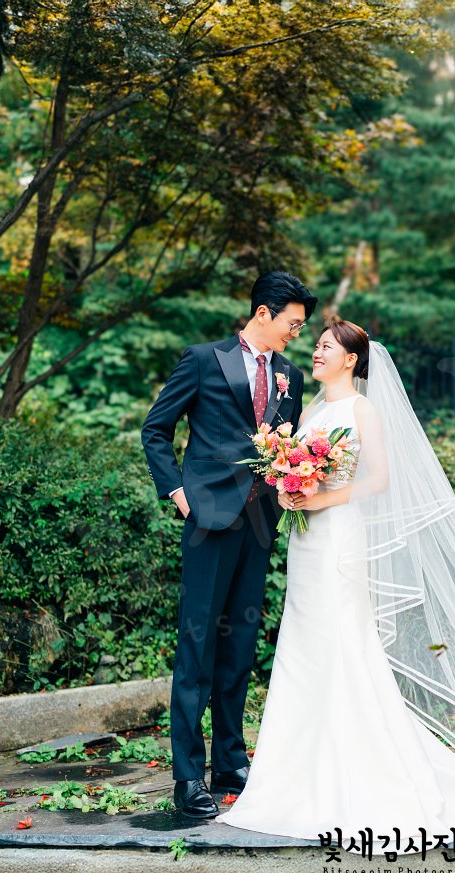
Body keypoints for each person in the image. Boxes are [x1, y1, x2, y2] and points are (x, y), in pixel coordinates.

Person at [214, 319, 455, 847]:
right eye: (316, 345)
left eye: (325, 347)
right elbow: (292, 471)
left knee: (342, 643)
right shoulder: (309, 413)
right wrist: (287, 490)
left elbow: (378, 480)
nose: (316, 352)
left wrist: (320, 499)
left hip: (339, 540)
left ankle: (359, 770)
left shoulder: (362, 410)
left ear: (351, 359)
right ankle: (294, 773)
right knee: (305, 647)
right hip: (307, 542)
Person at [141, 270, 317, 819]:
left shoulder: (289, 376)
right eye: (293, 323)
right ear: (263, 313)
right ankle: (187, 776)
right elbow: (156, 429)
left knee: (239, 646)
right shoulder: (202, 359)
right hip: (208, 521)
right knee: (197, 647)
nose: (296, 334)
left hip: (260, 522)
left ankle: (230, 762)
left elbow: (285, 448)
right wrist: (178, 493)